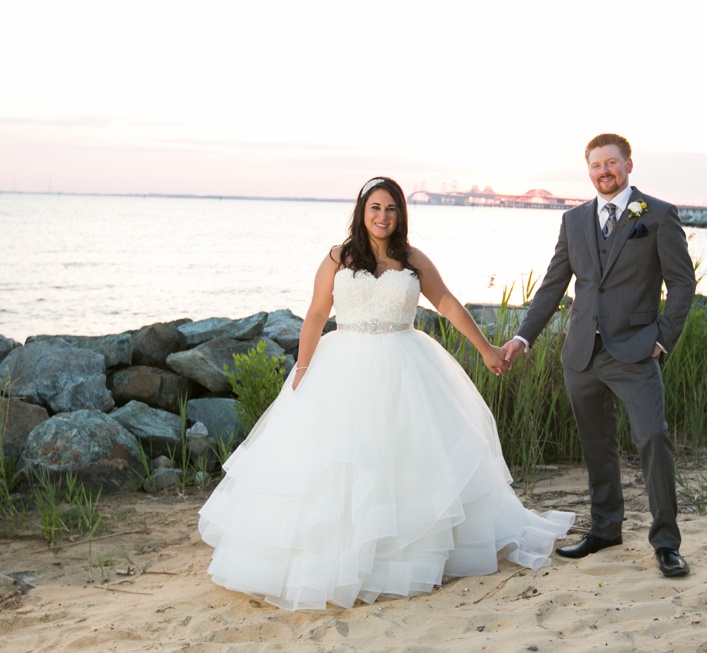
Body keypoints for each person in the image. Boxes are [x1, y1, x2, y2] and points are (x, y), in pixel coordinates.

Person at [199, 177, 573, 610]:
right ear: (362, 211)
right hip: (343, 366)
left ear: (401, 214)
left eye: (391, 209)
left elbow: (448, 303)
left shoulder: (412, 259)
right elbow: (318, 313)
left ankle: (407, 554)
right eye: (375, 207)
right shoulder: (338, 258)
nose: (382, 216)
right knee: (338, 463)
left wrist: (487, 349)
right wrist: (303, 366)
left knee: (404, 458)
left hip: (405, 363)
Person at [502, 134, 696, 577]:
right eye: (596, 165)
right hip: (581, 354)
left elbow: (682, 284)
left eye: (612, 163)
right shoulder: (573, 220)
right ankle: (606, 529)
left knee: (653, 438)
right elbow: (553, 286)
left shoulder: (659, 216)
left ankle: (666, 542)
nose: (604, 171)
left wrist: (663, 337)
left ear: (629, 165)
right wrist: (523, 338)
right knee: (597, 447)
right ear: (588, 170)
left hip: (635, 353)